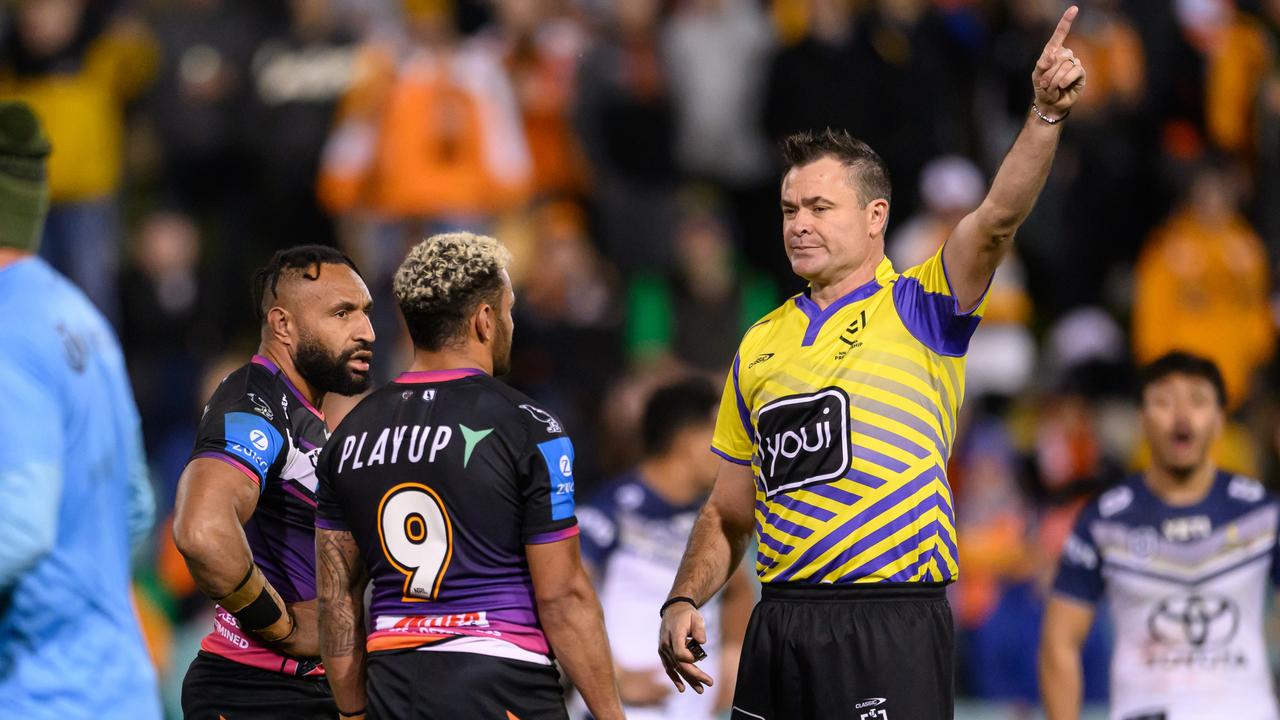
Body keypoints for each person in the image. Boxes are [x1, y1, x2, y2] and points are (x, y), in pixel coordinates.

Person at [658, 7, 1088, 719]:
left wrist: (1043, 114)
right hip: (781, 621)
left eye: (821, 206)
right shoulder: (759, 343)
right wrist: (684, 595)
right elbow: (729, 511)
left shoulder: (923, 304)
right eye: (790, 207)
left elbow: (997, 218)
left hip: (889, 621)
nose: (799, 222)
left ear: (876, 216)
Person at [314, 232, 623, 720]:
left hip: (394, 685)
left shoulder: (347, 436)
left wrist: (353, 712)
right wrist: (611, 715)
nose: (511, 325)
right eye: (509, 311)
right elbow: (563, 595)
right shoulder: (529, 427)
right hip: (503, 680)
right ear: (484, 320)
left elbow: (335, 598)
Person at [0, 100, 161, 718]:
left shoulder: (7, 331)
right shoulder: (80, 318)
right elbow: (135, 506)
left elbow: (19, 523)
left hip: (34, 696)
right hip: (117, 687)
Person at [172, 244, 375, 719]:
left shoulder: (300, 411)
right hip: (257, 692)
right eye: (342, 313)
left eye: (366, 312)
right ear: (282, 324)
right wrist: (282, 627)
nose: (366, 331)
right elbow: (202, 530)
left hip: (296, 692)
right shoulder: (253, 403)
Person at [1040, 352, 1280, 720]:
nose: (1181, 417)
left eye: (1198, 401)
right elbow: (1060, 643)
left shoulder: (1263, 513)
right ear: (1141, 419)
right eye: (1164, 401)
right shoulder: (1104, 519)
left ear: (1219, 421)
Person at [578, 377, 754, 719]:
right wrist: (615, 678)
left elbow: (739, 592)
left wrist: (732, 662)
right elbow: (566, 595)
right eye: (722, 433)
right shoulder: (611, 509)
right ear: (689, 440)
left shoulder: (709, 524)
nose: (735, 448)